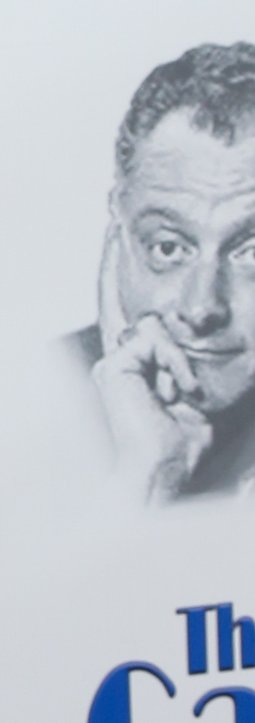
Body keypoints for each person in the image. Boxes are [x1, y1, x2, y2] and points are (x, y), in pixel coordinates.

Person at [73, 43, 255, 500]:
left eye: (250, 253)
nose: (201, 308)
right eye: (169, 247)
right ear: (118, 232)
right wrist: (148, 478)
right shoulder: (19, 405)